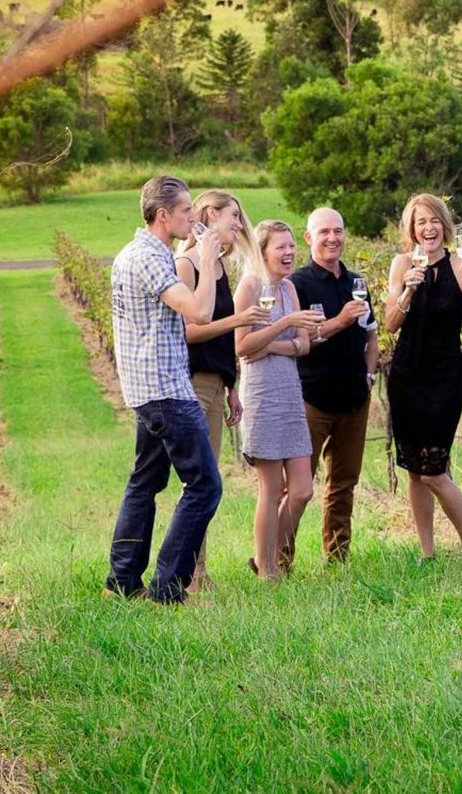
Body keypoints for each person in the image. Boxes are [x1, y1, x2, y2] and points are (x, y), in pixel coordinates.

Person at [105, 176, 224, 605]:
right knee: (206, 486)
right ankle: (167, 588)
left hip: (144, 389)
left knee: (145, 482)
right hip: (167, 391)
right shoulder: (151, 259)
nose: (194, 217)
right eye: (187, 210)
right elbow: (200, 311)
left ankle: (121, 581)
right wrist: (208, 260)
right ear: (163, 216)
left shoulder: (132, 254)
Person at [175, 190, 270, 588]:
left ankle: (197, 570)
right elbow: (190, 331)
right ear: (210, 215)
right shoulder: (187, 264)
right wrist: (239, 321)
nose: (236, 225)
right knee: (200, 482)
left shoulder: (215, 268)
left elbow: (216, 343)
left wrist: (231, 385)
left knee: (208, 480)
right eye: (233, 217)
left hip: (215, 385)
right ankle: (190, 573)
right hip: (194, 384)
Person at [383, 194, 462, 563]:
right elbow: (391, 324)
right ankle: (428, 552)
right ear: (412, 229)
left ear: (444, 225)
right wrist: (409, 288)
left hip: (444, 377)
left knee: (434, 471)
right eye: (420, 222)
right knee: (413, 469)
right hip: (406, 375)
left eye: (434, 221)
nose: (428, 228)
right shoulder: (400, 265)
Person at [286, 208, 377, 567]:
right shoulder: (298, 284)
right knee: (296, 487)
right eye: (324, 232)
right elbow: (300, 337)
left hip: (354, 398)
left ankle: (338, 559)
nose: (332, 238)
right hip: (312, 398)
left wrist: (369, 376)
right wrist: (339, 321)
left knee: (343, 484)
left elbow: (371, 334)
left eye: (338, 231)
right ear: (309, 238)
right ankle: (278, 558)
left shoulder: (357, 282)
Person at [234, 221, 324, 579]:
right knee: (271, 489)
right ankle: (269, 569)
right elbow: (242, 347)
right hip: (261, 394)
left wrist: (270, 343)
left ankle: (264, 555)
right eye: (280, 247)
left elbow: (303, 344)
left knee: (302, 490)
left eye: (291, 246)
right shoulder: (250, 286)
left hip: (289, 392)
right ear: (262, 251)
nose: (289, 253)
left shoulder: (289, 288)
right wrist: (282, 325)